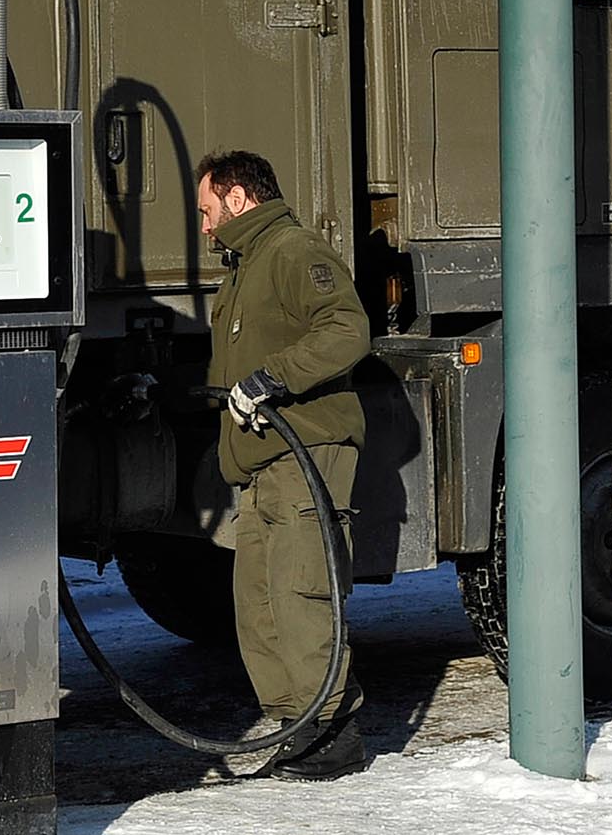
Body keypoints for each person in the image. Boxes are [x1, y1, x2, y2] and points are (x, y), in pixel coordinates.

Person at [196, 149, 372, 781]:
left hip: (306, 450)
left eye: (209, 209)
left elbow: (349, 329)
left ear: (239, 198)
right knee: (259, 602)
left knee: (302, 594)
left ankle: (333, 729)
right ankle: (295, 722)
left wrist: (272, 377)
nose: (206, 225)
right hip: (262, 463)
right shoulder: (246, 266)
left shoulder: (295, 251)